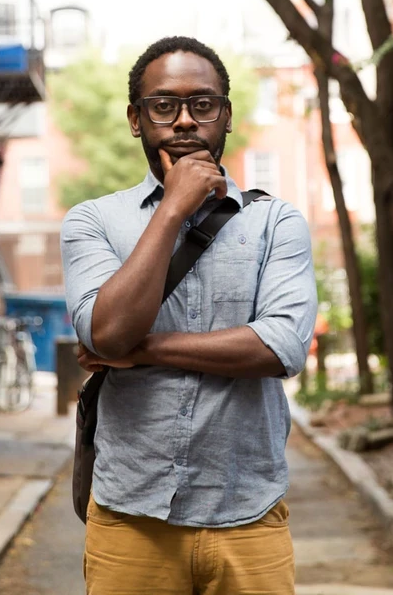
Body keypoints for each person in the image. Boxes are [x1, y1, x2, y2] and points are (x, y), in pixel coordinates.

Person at [62, 36, 318, 595]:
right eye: (163, 106)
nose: (184, 121)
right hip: (131, 517)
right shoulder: (93, 222)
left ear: (225, 116)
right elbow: (107, 332)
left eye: (202, 105)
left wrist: (145, 350)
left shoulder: (277, 223)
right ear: (137, 119)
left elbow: (279, 348)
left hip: (248, 515)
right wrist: (174, 206)